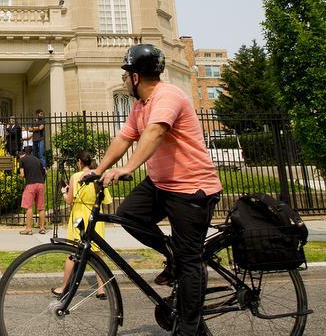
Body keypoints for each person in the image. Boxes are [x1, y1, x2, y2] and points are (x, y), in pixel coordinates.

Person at [93, 44, 222, 336]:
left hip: (191, 188)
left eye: (126, 75)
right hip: (162, 184)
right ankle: (172, 252)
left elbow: (155, 132)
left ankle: (189, 329)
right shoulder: (140, 106)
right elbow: (125, 137)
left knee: (190, 263)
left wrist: (128, 168)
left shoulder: (168, 96)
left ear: (136, 77)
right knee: (128, 215)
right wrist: (98, 170)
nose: (125, 80)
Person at [54, 149, 113, 296]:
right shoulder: (97, 176)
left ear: (80, 162)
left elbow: (69, 200)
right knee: (97, 254)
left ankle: (64, 287)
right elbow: (106, 200)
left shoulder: (76, 176)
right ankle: (101, 289)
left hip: (79, 217)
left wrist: (64, 192)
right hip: (94, 216)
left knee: (73, 253)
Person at [18, 147, 46, 235]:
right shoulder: (38, 160)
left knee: (29, 207)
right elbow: (44, 172)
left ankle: (28, 229)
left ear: (24, 152)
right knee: (41, 208)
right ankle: (42, 228)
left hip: (30, 184)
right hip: (40, 184)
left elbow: (22, 175)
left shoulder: (22, 160)